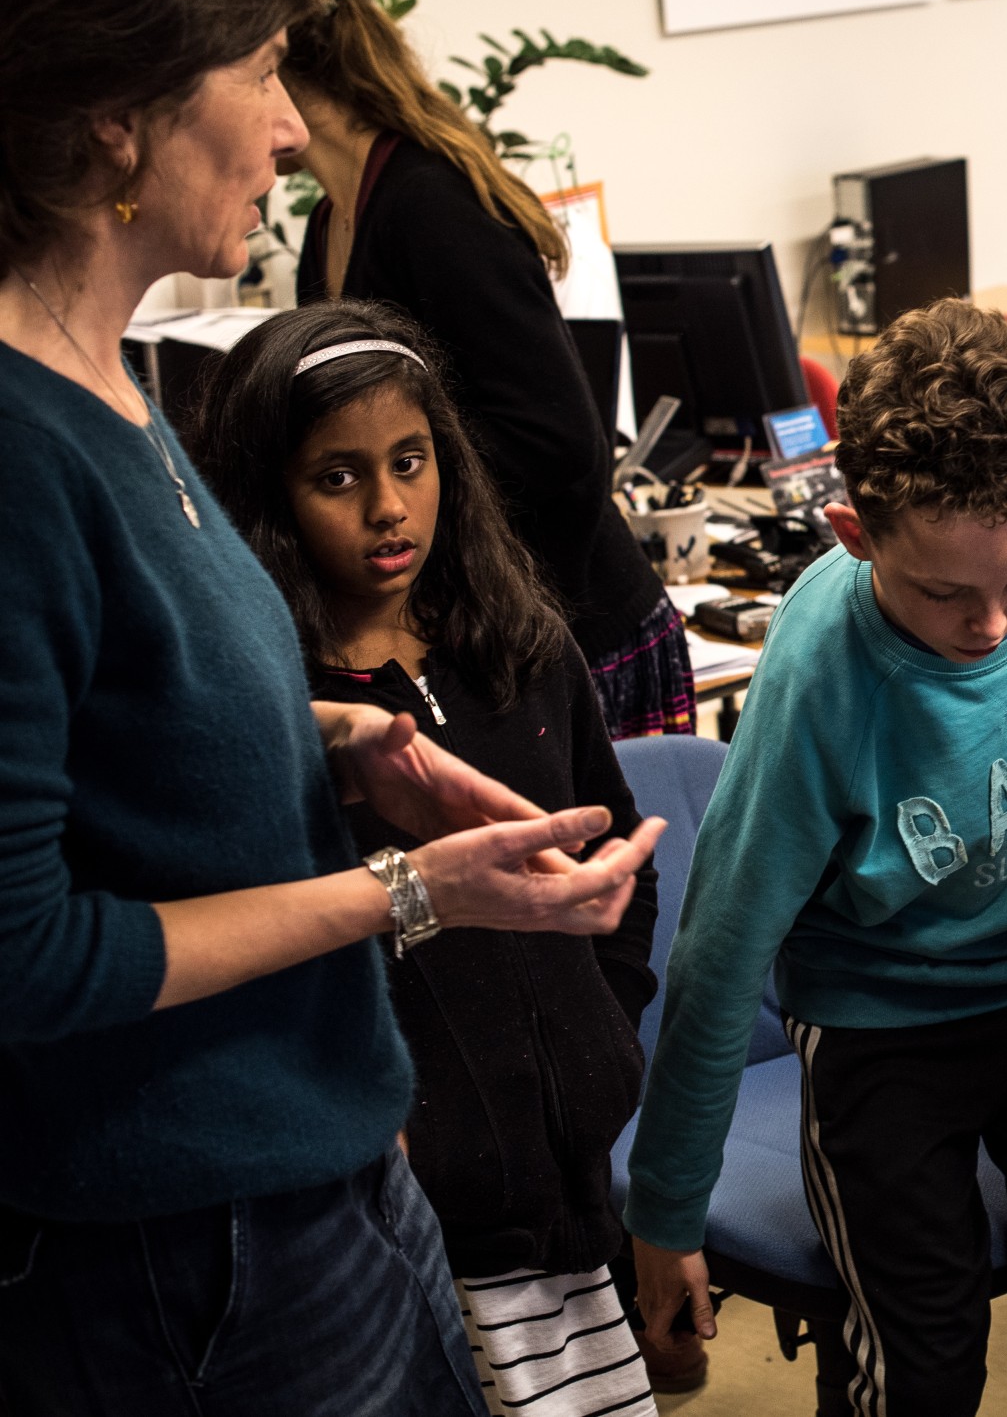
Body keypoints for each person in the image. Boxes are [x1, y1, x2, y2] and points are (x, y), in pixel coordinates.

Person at [0, 0, 661, 1415]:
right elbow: (27, 954)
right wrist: (402, 892)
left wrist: (347, 744)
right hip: (182, 1241)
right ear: (121, 115)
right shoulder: (20, 453)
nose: (294, 126)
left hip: (321, 1182)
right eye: (260, 69)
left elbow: (120, 735)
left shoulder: (111, 378)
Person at [626, 299, 1007, 1416]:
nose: (993, 624)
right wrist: (666, 1208)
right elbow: (720, 950)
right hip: (879, 1016)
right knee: (921, 1360)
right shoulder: (815, 665)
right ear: (855, 535)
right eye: (945, 591)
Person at [189, 300, 662, 1417]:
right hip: (412, 1218)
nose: (392, 506)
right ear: (270, 502)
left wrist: (603, 1031)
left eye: (412, 460)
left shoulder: (520, 648)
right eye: (338, 477)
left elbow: (613, 864)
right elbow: (276, 952)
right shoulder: (273, 710)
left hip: (573, 1191)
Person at [276, 0, 692, 740]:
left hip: (572, 634)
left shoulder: (432, 205)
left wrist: (410, 484)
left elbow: (559, 444)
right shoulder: (330, 220)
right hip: (488, 635)